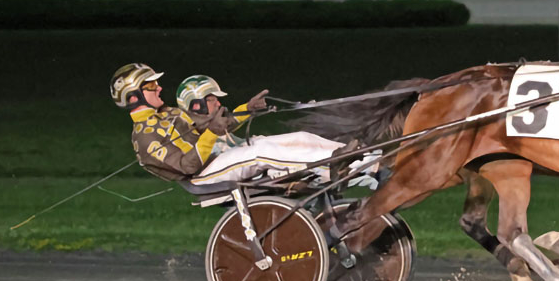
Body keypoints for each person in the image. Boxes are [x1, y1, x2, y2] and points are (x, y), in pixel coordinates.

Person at [109, 64, 378, 188]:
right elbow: (188, 166)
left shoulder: (167, 112)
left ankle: (365, 158)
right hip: (204, 175)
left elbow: (215, 125)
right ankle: (335, 162)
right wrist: (211, 134)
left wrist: (245, 110)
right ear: (132, 97)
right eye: (150, 85)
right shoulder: (144, 138)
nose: (159, 87)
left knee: (293, 137)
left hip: (218, 158)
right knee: (259, 153)